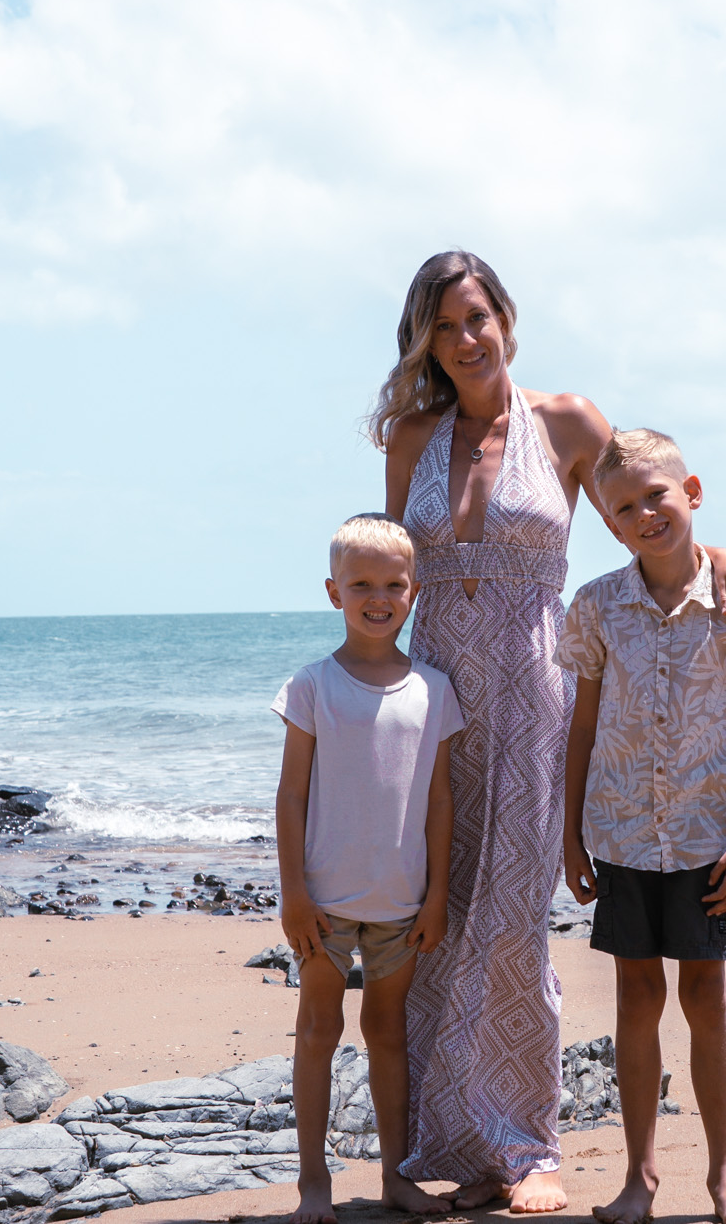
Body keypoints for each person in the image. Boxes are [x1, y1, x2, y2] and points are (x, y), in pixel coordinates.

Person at [372, 251, 726, 1213]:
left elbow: (646, 508)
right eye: (443, 326)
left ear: (506, 318)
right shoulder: (412, 436)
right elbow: (391, 572)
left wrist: (721, 552)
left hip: (533, 694)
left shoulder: (567, 422)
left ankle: (528, 1147)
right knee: (438, 919)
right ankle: (461, 1145)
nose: (464, 339)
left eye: (476, 317)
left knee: (513, 920)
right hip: (436, 697)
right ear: (425, 341)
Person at [560, 428, 726, 1224]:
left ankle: (725, 1177)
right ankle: (639, 1176)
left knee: (706, 997)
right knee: (636, 996)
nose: (644, 514)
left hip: (703, 836)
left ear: (692, 492)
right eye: (624, 507)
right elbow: (581, 725)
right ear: (609, 524)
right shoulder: (596, 606)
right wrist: (568, 832)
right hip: (619, 831)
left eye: (656, 495)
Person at [272, 513, 461, 1224]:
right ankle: (312, 1181)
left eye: (393, 585)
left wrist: (437, 894)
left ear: (415, 591)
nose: (378, 598)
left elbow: (439, 799)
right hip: (323, 902)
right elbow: (291, 794)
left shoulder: (433, 689)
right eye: (361, 585)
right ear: (334, 592)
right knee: (318, 1030)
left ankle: (395, 1177)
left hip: (402, 901)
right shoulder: (312, 685)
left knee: (388, 1034)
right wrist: (294, 892)